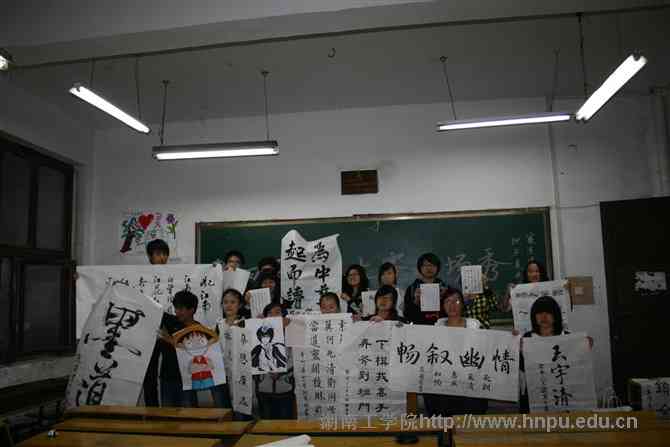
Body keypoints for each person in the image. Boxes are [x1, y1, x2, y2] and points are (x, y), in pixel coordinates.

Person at [518, 295, 593, 413]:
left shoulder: (567, 338)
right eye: (539, 313)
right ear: (534, 317)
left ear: (556, 315)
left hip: (563, 392)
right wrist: (520, 351)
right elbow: (523, 368)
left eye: (548, 312)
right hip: (537, 394)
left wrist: (584, 347)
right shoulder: (527, 338)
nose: (543, 316)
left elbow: (578, 368)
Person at [425, 288, 488, 416]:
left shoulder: (475, 327)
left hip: (469, 385)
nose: (452, 305)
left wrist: (513, 338)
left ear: (463, 304)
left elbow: (489, 350)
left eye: (456, 301)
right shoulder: (436, 328)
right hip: (444, 387)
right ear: (442, 305)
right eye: (447, 301)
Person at [162, 290, 228, 407]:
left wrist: (170, 340)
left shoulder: (200, 331)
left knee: (190, 414)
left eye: (181, 309)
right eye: (176, 308)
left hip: (187, 381)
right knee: (167, 415)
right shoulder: (171, 321)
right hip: (166, 378)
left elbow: (197, 353)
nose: (177, 312)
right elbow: (151, 309)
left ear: (192, 310)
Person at [142, 239, 170, 406]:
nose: (162, 257)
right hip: (147, 331)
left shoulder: (175, 276)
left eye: (165, 254)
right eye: (158, 254)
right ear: (150, 256)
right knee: (149, 374)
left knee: (170, 373)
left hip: (168, 331)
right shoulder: (140, 276)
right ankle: (152, 410)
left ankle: (169, 408)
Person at [255, 302, 295, 419]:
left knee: (285, 423)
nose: (273, 316)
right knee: (266, 423)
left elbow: (295, 359)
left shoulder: (291, 334)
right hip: (264, 388)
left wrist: (281, 371)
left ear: (284, 316)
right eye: (269, 313)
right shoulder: (257, 335)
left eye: (277, 312)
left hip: (285, 388)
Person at [404, 253, 452, 325]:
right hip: (419, 327)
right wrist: (416, 302)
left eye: (432, 265)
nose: (429, 268)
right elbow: (407, 315)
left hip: (441, 327)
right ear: (420, 268)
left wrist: (444, 299)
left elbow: (453, 313)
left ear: (437, 268)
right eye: (425, 265)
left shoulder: (446, 288)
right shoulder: (412, 289)